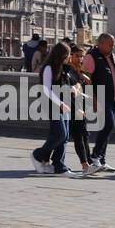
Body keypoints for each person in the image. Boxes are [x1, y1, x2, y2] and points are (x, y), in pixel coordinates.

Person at [82, 32, 115, 173]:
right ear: (101, 43)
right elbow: (86, 80)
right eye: (110, 44)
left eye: (114, 44)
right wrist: (94, 99)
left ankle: (102, 160)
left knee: (107, 128)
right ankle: (94, 156)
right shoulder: (91, 57)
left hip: (112, 97)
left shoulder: (111, 56)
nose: (113, 47)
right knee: (109, 124)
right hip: (101, 97)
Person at [30, 43, 79, 176]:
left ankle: (58, 165)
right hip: (51, 104)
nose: (68, 59)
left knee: (64, 136)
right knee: (60, 134)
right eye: (67, 56)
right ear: (61, 56)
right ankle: (38, 155)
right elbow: (47, 89)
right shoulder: (48, 68)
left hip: (64, 104)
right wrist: (61, 103)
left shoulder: (62, 68)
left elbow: (68, 83)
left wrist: (72, 88)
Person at [62, 42, 100, 175]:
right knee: (78, 136)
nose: (80, 59)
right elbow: (68, 91)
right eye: (77, 56)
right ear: (71, 56)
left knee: (82, 135)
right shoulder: (68, 70)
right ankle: (85, 165)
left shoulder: (79, 71)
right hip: (72, 108)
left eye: (82, 56)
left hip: (80, 107)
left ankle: (88, 162)